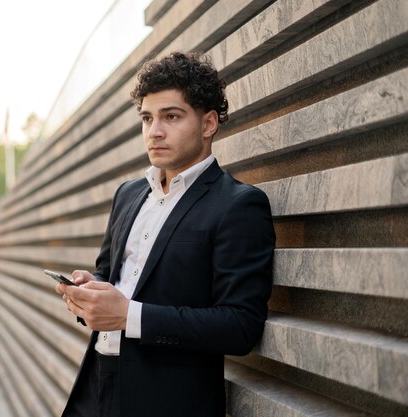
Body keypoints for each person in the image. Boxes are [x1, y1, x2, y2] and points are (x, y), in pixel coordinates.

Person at [56, 51, 275, 417]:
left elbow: (240, 326)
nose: (154, 131)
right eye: (147, 118)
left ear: (208, 124)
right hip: (95, 384)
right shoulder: (128, 194)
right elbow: (107, 272)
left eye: (171, 116)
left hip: (166, 400)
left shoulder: (238, 205)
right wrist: (87, 291)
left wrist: (129, 316)